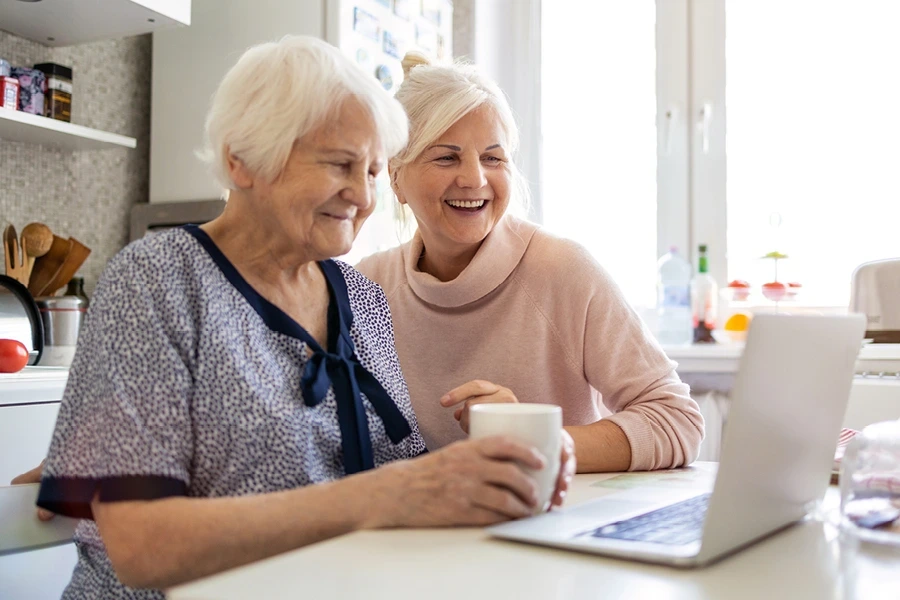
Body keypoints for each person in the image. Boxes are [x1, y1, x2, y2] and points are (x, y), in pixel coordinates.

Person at [29, 37, 574, 599]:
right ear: (242, 159)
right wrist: (388, 495)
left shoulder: (360, 297)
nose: (362, 197)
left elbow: (394, 476)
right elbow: (142, 548)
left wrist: (499, 468)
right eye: (340, 164)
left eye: (372, 172)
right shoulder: (156, 280)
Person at [355, 52, 704, 473]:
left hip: (553, 524)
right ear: (395, 177)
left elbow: (677, 420)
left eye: (493, 158)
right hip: (424, 528)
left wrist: (536, 439)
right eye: (447, 157)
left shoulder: (563, 270)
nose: (475, 179)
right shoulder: (366, 286)